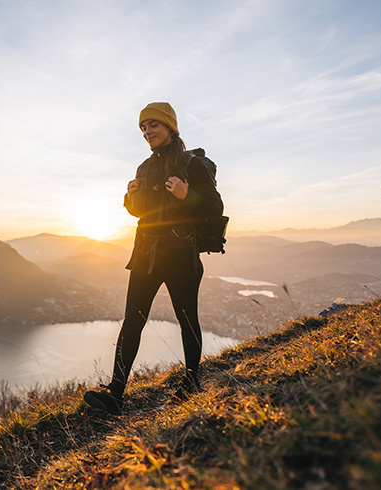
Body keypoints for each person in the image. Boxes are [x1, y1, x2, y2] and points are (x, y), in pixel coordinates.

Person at [83, 102, 223, 415]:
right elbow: (143, 211)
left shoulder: (192, 164)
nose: (147, 132)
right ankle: (115, 394)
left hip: (181, 256)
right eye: (143, 128)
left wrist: (188, 196)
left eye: (153, 126)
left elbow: (214, 208)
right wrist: (130, 199)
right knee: (132, 320)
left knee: (187, 320)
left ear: (170, 127)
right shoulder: (144, 168)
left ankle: (191, 382)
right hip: (146, 253)